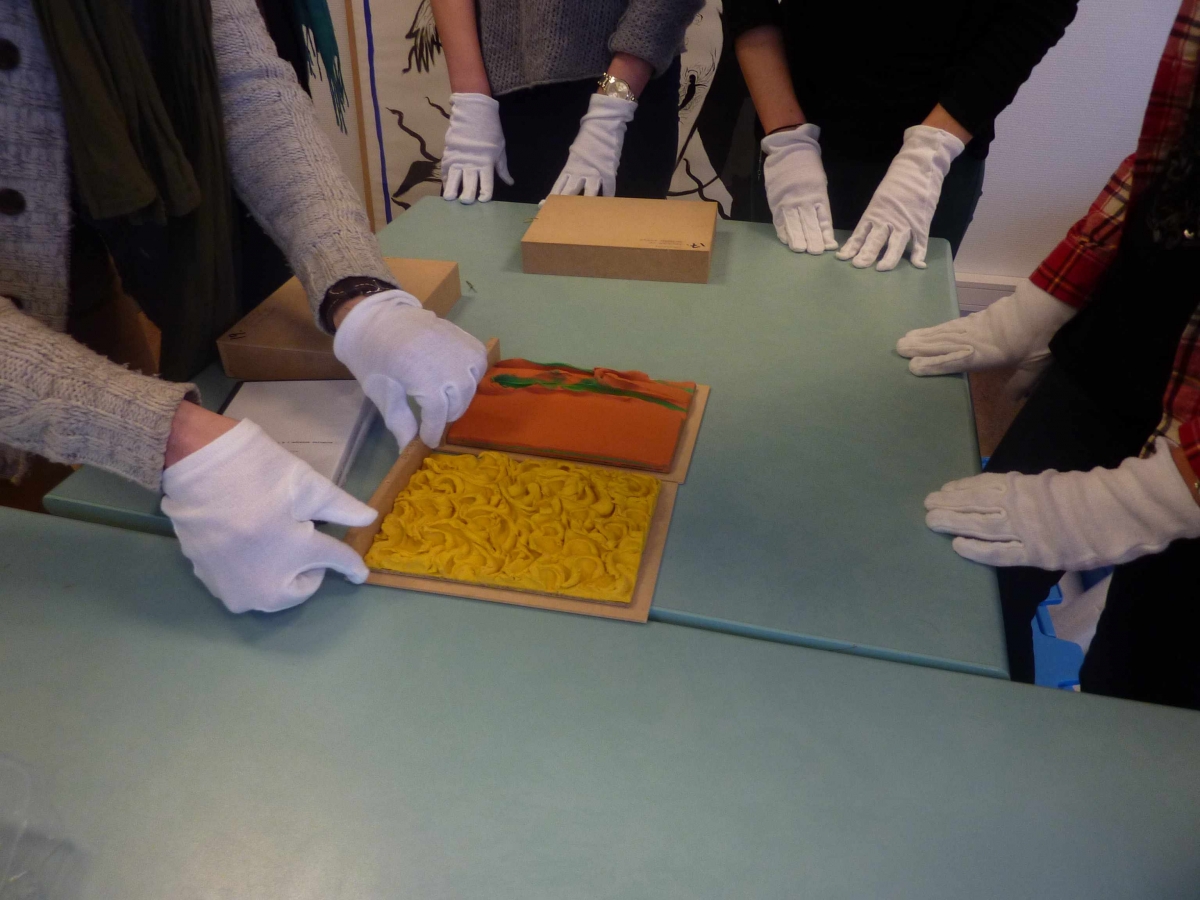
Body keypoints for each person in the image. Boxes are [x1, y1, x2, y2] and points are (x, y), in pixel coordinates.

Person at [0, 0, 487, 614]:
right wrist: (163, 434)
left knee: (103, 510)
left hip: (86, 252)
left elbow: (250, 90)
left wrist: (357, 293)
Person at [897, 0, 1200, 710]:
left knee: (1143, 689)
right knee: (963, 586)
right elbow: (1168, 154)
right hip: (1125, 346)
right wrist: (1044, 301)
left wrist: (1148, 502)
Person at [722, 0, 1078, 270]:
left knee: (897, 317)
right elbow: (750, 5)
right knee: (781, 304)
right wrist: (788, 139)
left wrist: (928, 153)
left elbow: (1036, 11)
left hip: (941, 143)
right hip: (794, 135)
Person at [432, 0, 703, 205]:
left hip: (623, 90)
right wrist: (471, 100)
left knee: (609, 258)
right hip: (492, 100)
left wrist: (610, 114)